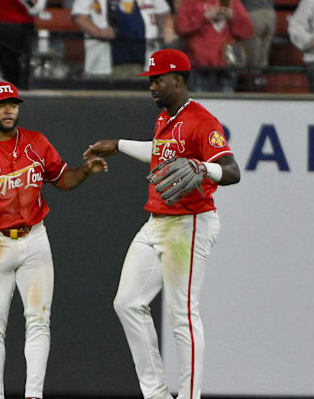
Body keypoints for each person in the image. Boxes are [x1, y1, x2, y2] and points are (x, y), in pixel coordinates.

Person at [0, 81, 106, 399]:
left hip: (35, 239)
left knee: (39, 320)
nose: (9, 109)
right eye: (1, 104)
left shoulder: (36, 143)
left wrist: (86, 171)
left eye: (13, 103)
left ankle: (33, 395)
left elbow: (62, 178)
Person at [83, 49, 240, 399]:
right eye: (151, 79)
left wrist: (203, 168)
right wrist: (119, 145)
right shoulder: (166, 118)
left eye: (159, 79)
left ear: (180, 80)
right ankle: (155, 393)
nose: (152, 85)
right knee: (126, 302)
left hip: (190, 223)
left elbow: (232, 171)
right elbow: (159, 151)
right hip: (158, 222)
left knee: (182, 313)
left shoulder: (201, 120)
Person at [72, 0, 177, 77]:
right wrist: (98, 32)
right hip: (106, 60)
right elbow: (79, 16)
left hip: (146, 59)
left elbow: (165, 15)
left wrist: (168, 29)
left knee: (144, 100)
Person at [176, 0, 253, 92]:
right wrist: (204, 16)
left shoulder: (232, 1)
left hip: (226, 69)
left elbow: (247, 32)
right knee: (200, 105)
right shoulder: (192, 2)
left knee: (227, 105)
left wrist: (234, 17)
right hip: (199, 68)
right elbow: (181, 27)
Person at [0, 0, 47, 89]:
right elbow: (34, 7)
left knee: (9, 71)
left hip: (4, 25)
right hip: (15, 27)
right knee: (15, 72)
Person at [234, 0, 275, 69]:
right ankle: (259, 78)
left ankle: (252, 78)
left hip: (252, 14)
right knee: (262, 59)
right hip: (270, 14)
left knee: (250, 59)